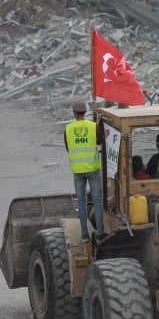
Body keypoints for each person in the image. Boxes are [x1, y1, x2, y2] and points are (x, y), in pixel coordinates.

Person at [65, 99, 104, 240]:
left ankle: (84, 234)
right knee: (97, 201)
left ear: (74, 113)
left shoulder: (68, 128)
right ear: (85, 112)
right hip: (93, 169)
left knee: (81, 202)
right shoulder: (94, 126)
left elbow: (68, 148)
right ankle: (100, 233)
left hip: (77, 171)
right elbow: (99, 142)